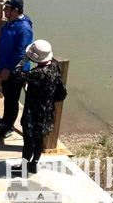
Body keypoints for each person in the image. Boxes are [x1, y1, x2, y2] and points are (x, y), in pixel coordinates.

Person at [15, 40, 66, 175]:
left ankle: (23, 167)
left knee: (28, 142)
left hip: (33, 113)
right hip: (47, 111)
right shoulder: (54, 68)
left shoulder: (37, 73)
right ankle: (34, 164)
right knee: (39, 140)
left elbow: (17, 73)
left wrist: (24, 60)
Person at [0, 0, 33, 139]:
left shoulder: (24, 28)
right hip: (5, 67)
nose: (4, 10)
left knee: (12, 100)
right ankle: (5, 120)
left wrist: (8, 68)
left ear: (15, 10)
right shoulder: (11, 22)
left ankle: (8, 126)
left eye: (7, 8)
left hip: (15, 71)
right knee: (7, 96)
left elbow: (21, 52)